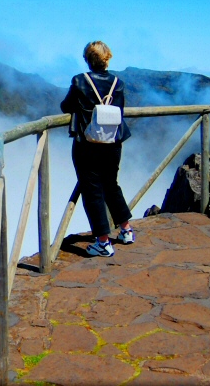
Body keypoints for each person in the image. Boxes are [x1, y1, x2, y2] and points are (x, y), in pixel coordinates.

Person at [61, 40, 135, 257]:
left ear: (87, 59)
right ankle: (126, 231)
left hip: (88, 144)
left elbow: (65, 106)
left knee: (92, 189)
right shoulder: (118, 83)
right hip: (114, 141)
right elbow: (119, 109)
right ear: (107, 58)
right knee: (111, 185)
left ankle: (103, 243)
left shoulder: (79, 81)